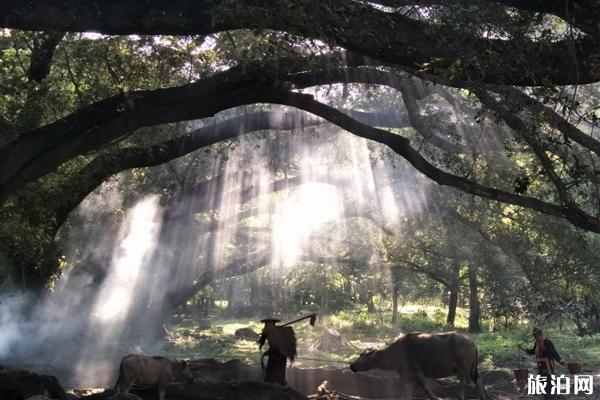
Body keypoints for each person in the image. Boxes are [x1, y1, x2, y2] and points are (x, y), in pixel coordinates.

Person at [518, 327, 565, 399]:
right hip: (540, 366)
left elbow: (554, 353)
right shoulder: (536, 343)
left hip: (548, 365)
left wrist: (561, 361)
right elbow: (532, 352)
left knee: (549, 381)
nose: (535, 337)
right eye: (534, 335)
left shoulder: (548, 342)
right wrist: (523, 348)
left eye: (536, 335)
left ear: (540, 334)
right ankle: (547, 397)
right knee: (542, 381)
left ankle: (553, 397)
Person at [258, 317, 297, 385]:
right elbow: (262, 340)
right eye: (266, 323)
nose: (266, 325)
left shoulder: (274, 331)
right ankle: (277, 381)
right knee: (278, 368)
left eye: (268, 323)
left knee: (275, 368)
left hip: (277, 353)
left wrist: (268, 352)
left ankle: (275, 382)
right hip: (279, 353)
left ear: (272, 323)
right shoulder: (270, 330)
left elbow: (275, 344)